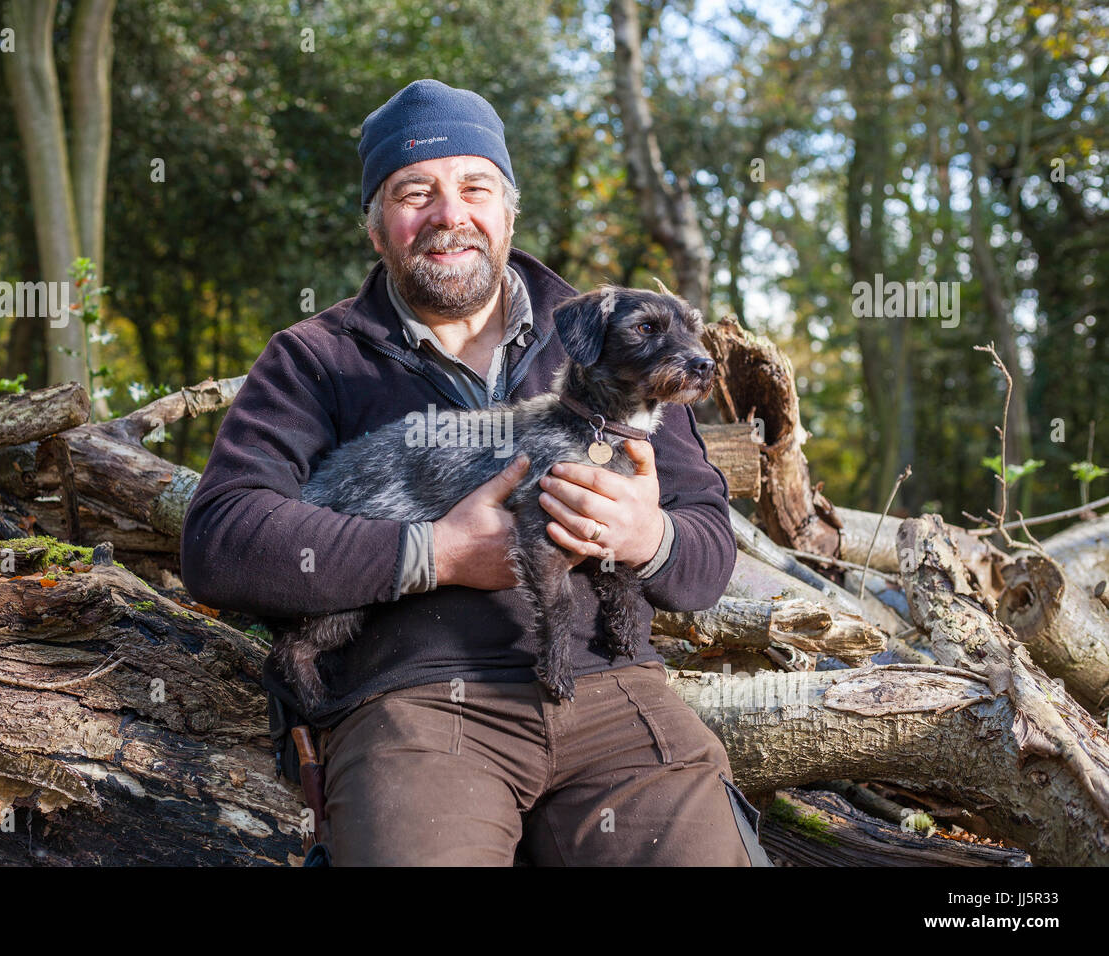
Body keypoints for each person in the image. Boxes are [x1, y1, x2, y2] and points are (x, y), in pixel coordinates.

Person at [181, 78, 769, 866]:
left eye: (474, 186)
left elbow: (705, 554)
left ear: (508, 209)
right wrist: (435, 554)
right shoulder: (314, 359)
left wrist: (647, 535)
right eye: (413, 191)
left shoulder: (613, 335)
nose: (448, 214)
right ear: (377, 228)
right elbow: (222, 541)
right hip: (415, 704)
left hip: (613, 696)